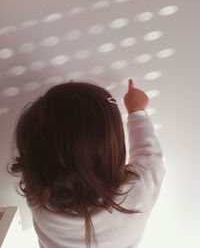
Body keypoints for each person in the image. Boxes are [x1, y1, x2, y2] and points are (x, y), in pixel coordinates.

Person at [7, 79, 166, 248]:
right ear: (112, 149)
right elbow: (150, 154)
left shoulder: (38, 197)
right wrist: (137, 112)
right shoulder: (138, 193)